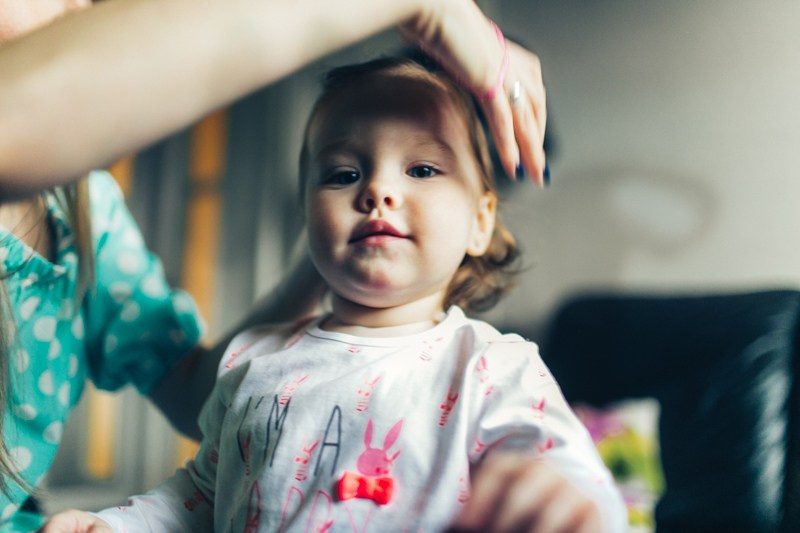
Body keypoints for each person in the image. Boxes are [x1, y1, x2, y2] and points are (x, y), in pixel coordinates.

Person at [40, 56, 623, 533]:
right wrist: (116, 526)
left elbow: (572, 477)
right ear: (307, 217)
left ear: (480, 219)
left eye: (421, 169)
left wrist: (561, 500)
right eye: (343, 174)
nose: (377, 190)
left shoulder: (492, 368)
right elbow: (199, 496)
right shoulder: (255, 358)